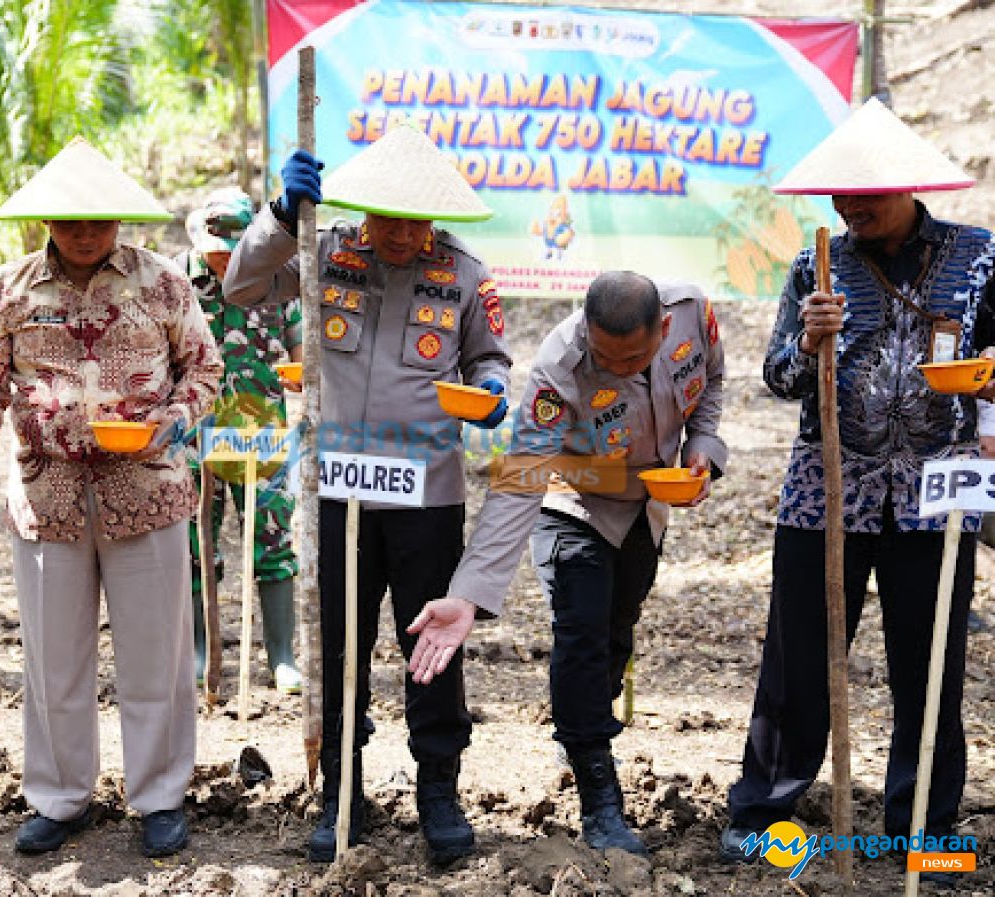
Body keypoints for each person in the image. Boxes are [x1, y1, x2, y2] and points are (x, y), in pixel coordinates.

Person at [718, 99, 995, 886]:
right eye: (841, 197)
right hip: (824, 496)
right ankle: (764, 819)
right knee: (799, 661)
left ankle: (924, 830)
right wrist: (808, 342)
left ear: (907, 187)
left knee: (929, 664)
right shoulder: (818, 265)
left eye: (865, 196)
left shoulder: (981, 258)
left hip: (936, 496)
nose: (851, 208)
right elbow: (776, 375)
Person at [223, 124, 512, 864]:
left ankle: (437, 789)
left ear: (435, 219)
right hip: (335, 490)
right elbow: (242, 285)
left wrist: (490, 389)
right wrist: (282, 217)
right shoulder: (325, 249)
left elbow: (489, 358)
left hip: (427, 495)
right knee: (338, 648)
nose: (399, 233)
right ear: (364, 210)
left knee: (432, 648)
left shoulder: (465, 272)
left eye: (414, 221)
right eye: (387, 217)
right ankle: (340, 791)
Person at [0, 138, 222, 858]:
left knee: (156, 655)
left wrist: (176, 418)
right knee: (53, 659)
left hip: (150, 490)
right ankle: (60, 796)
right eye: (70, 220)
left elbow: (204, 369)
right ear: (47, 220)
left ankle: (160, 795)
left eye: (97, 220)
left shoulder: (165, 284)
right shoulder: (4, 291)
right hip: (48, 497)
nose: (84, 233)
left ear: (119, 219)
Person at [409, 270, 726, 855]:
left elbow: (711, 388)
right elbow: (522, 475)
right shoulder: (560, 365)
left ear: (661, 330)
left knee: (614, 634)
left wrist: (703, 446)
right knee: (581, 637)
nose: (616, 370)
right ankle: (600, 800)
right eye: (605, 358)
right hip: (571, 500)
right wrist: (470, 594)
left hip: (645, 506)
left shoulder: (690, 312)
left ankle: (581, 730)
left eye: (632, 359)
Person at [176, 188, 303, 695]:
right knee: (192, 539)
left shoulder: (276, 283)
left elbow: (301, 349)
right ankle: (200, 652)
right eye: (216, 246)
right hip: (188, 434)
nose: (224, 255)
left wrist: (300, 372)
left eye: (234, 245)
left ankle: (281, 657)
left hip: (258, 432)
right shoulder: (175, 285)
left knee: (272, 534)